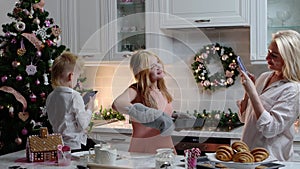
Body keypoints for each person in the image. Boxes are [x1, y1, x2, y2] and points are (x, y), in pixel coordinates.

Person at [237, 30, 300, 161]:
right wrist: (248, 93)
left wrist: (253, 92)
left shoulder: (292, 89)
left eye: (274, 55)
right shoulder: (264, 77)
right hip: (249, 158)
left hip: (271, 160)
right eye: (268, 52)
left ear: (289, 58)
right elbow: (245, 118)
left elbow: (269, 129)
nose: (267, 58)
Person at [112, 50, 177, 154]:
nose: (158, 67)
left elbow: (162, 116)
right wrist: (145, 112)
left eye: (158, 62)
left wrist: (176, 118)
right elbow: (117, 104)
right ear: (142, 72)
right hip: (144, 150)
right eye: (152, 66)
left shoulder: (162, 91)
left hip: (165, 149)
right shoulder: (137, 90)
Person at [46, 51, 96, 152]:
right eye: (77, 77)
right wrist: (90, 108)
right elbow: (82, 124)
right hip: (74, 145)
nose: (77, 80)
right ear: (71, 76)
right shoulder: (74, 96)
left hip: (58, 145)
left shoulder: (51, 96)